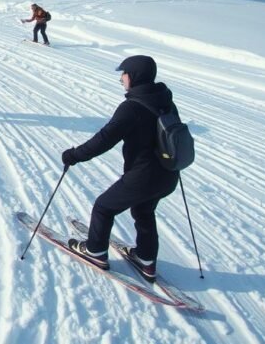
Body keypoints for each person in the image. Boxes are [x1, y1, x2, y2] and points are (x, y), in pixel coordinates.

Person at [62, 55, 180, 282]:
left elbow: (104, 140)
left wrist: (74, 155)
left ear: (134, 76)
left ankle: (95, 251)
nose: (121, 79)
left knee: (104, 207)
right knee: (144, 211)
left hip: (143, 176)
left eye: (123, 74)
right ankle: (146, 258)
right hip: (168, 175)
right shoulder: (165, 100)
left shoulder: (132, 108)